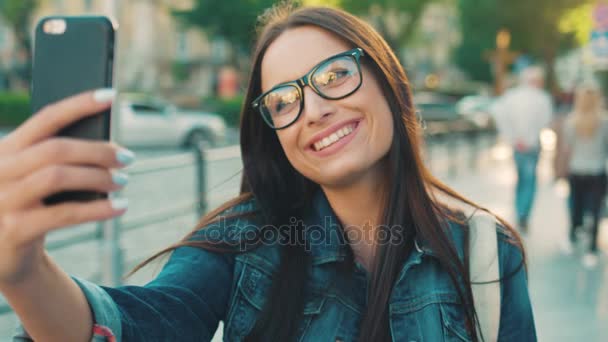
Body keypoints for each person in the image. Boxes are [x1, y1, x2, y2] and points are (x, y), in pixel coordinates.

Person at [0, 4, 535, 342]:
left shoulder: (485, 253)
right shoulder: (242, 243)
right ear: (275, 135)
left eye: (335, 75)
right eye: (283, 101)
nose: (315, 109)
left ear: (388, 82)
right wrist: (22, 272)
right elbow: (143, 323)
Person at [492, 66, 554, 232]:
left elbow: (497, 112)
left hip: (518, 145)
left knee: (521, 179)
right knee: (530, 180)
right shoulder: (542, 98)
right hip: (532, 146)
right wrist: (529, 138)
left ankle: (520, 210)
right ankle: (523, 213)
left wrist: (512, 137)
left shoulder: (511, 97)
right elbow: (546, 120)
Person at [561, 82, 608, 268]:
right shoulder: (604, 122)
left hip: (576, 169)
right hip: (597, 170)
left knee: (576, 206)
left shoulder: (571, 121)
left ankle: (572, 240)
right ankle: (591, 251)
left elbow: (566, 149)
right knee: (595, 210)